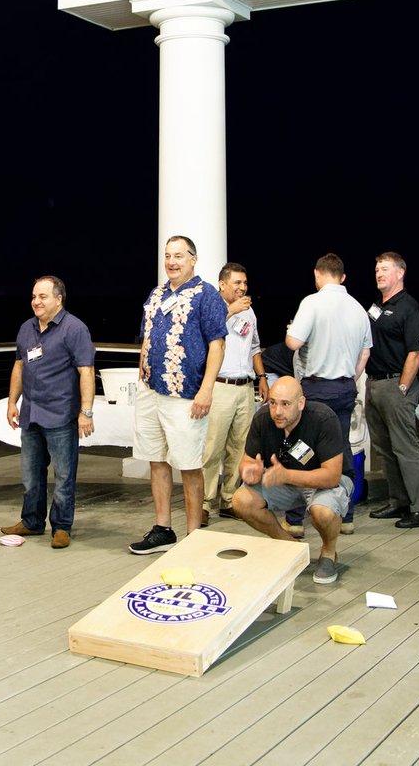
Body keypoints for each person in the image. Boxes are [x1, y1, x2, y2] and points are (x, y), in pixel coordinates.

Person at [128, 235, 228, 554]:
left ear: (193, 260)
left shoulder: (206, 294)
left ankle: (194, 536)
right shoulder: (156, 293)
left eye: (179, 256)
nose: (171, 262)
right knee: (156, 459)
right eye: (168, 256)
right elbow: (146, 338)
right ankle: (163, 529)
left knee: (189, 464)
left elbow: (217, 345)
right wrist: (141, 376)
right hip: (150, 390)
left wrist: (207, 390)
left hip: (186, 394)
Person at [0, 277, 96, 549]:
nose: (36, 302)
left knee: (64, 475)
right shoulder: (26, 328)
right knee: (31, 475)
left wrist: (86, 412)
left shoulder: (75, 328)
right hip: (31, 413)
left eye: (43, 297)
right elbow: (19, 366)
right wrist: (12, 402)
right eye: (34, 296)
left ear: (58, 299)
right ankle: (32, 521)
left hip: (61, 415)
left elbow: (86, 371)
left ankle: (62, 527)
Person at [232, 377, 353, 584]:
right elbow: (247, 461)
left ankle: (328, 553)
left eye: (285, 404)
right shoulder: (262, 419)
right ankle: (289, 545)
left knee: (323, 512)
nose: (277, 411)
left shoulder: (323, 419)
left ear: (301, 403)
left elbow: (332, 476)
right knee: (241, 500)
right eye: (273, 403)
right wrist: (248, 471)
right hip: (283, 483)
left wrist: (287, 475)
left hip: (324, 483)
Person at [285, 253, 372, 536]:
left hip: (316, 387)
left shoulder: (312, 302)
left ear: (317, 274)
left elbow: (293, 342)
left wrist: (292, 331)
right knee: (342, 449)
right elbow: (365, 354)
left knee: (302, 449)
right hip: (345, 387)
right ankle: (345, 517)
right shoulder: (358, 308)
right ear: (343, 277)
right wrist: (349, 379)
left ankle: (295, 520)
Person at [365, 252, 419, 528]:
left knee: (406, 448)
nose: (379, 274)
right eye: (377, 269)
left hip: (396, 384)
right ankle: (399, 502)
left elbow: (415, 353)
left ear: (400, 273)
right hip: (374, 383)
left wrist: (402, 387)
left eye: (385, 269)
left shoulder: (409, 308)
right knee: (384, 448)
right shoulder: (376, 306)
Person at [200, 263, 268, 524]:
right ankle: (204, 502)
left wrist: (262, 378)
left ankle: (228, 500)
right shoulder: (212, 307)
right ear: (222, 284)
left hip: (245, 387)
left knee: (239, 448)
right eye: (237, 283)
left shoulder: (249, 312)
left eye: (245, 283)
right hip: (220, 386)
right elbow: (203, 336)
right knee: (212, 448)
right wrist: (230, 311)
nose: (242, 288)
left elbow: (255, 347)